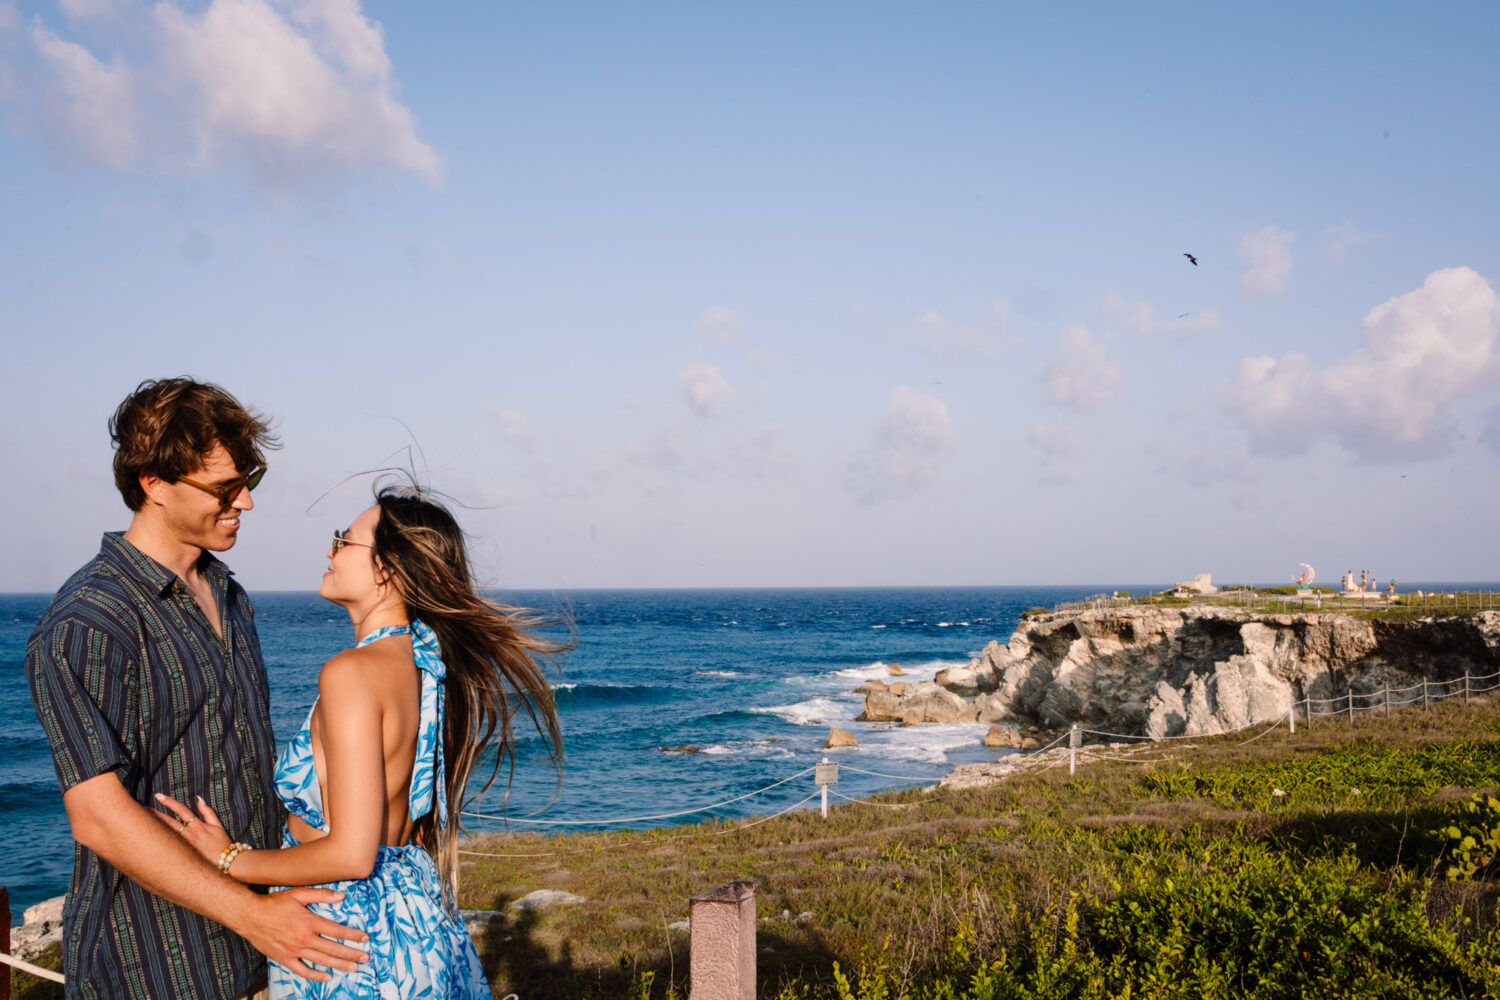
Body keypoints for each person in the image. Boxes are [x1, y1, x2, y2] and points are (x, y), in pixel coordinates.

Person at [26, 378, 368, 1000]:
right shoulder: (87, 621)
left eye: (249, 481)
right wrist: (255, 916)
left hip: (262, 958)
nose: (246, 502)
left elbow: (243, 768)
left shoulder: (231, 594)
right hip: (150, 971)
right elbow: (98, 818)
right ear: (153, 483)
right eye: (224, 488)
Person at [157, 485, 566, 998]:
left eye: (344, 541)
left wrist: (231, 859)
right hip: (416, 917)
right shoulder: (423, 668)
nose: (330, 551)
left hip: (348, 933)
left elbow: (351, 853)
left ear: (387, 572)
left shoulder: (352, 673)